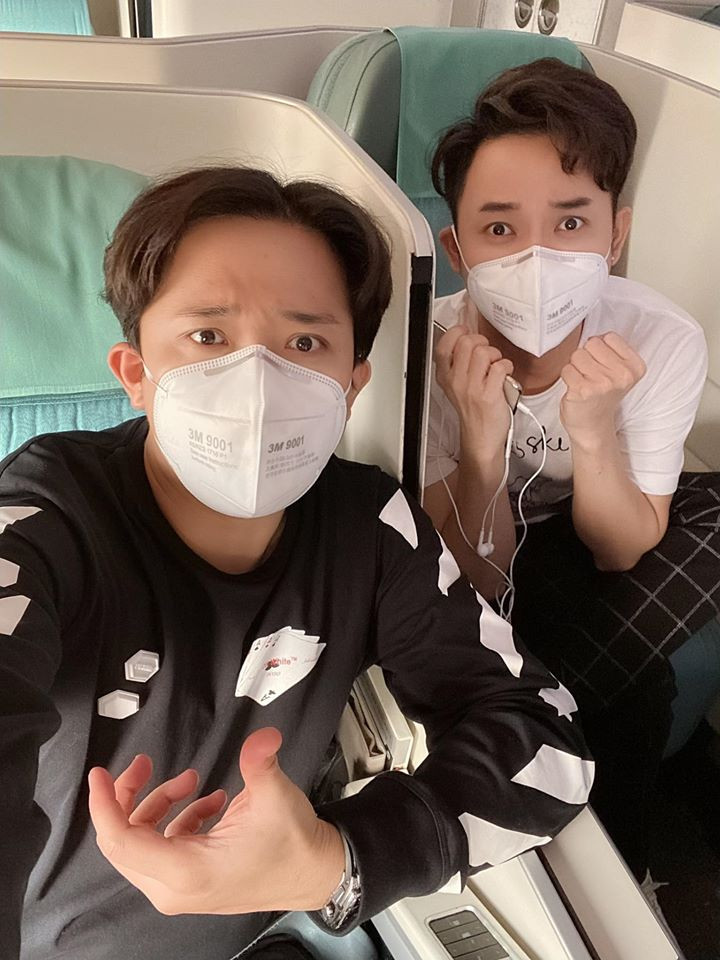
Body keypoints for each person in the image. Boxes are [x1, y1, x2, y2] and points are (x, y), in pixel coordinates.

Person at [1, 166, 593, 960]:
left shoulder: (369, 525)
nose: (258, 378)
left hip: (272, 937)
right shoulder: (44, 517)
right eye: (209, 336)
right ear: (136, 374)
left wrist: (338, 860)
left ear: (351, 387)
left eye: (304, 342)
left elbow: (547, 741)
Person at [423, 58, 719, 895]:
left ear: (614, 237)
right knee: (638, 683)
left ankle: (531, 717)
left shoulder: (660, 338)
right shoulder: (425, 351)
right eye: (501, 228)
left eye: (572, 222)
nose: (539, 257)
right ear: (457, 249)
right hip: (484, 540)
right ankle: (619, 867)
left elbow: (618, 549)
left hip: (590, 532)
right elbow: (470, 571)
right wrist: (483, 447)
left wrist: (593, 433)